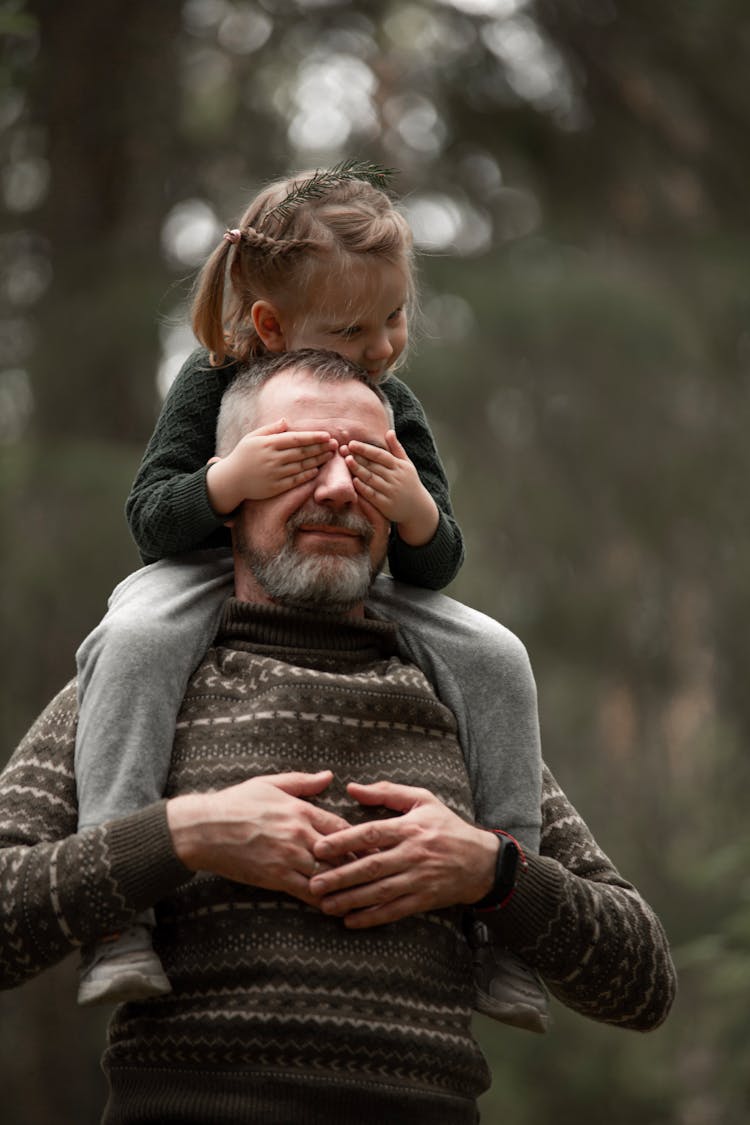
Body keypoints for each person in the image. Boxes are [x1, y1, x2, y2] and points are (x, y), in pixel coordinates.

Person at [0, 352, 676, 1124]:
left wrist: (493, 871)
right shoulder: (138, 682)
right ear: (225, 492)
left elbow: (644, 981)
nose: (336, 491)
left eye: (368, 466)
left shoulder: (462, 700)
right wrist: (184, 833)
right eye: (298, 461)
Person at [73, 162, 545, 1026]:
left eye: (396, 316)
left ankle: (508, 935)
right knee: (131, 637)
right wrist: (228, 479)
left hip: (350, 578)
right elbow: (151, 522)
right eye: (352, 328)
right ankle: (117, 920)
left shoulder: (391, 403)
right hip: (209, 574)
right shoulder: (210, 381)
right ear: (269, 323)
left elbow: (436, 567)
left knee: (496, 651)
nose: (381, 346)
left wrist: (412, 512)